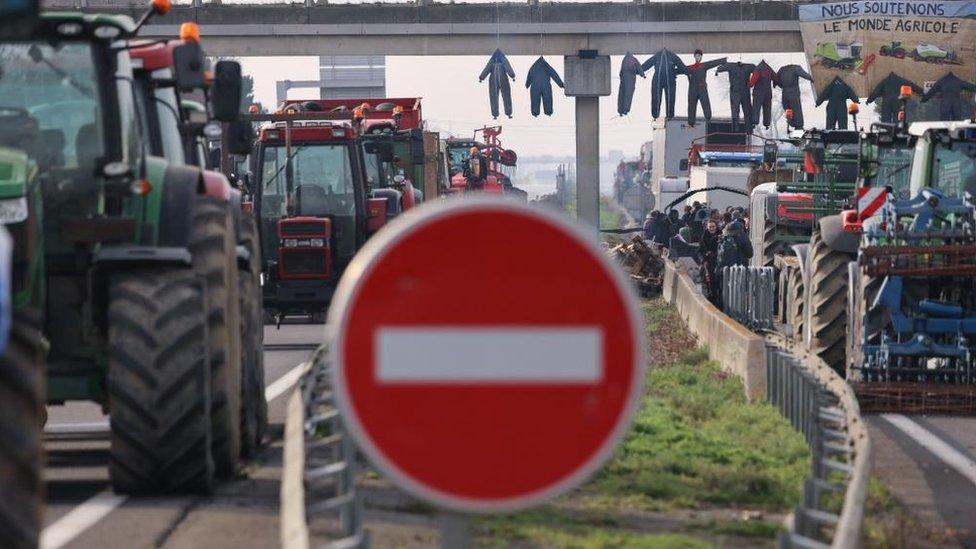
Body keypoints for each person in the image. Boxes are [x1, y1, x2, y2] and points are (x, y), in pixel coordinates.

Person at [698, 219, 721, 305]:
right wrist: (704, 259)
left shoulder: (720, 235)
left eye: (713, 227)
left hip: (719, 263)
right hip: (708, 264)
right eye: (710, 227)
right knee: (709, 284)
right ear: (707, 228)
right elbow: (700, 251)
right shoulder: (704, 237)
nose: (712, 229)